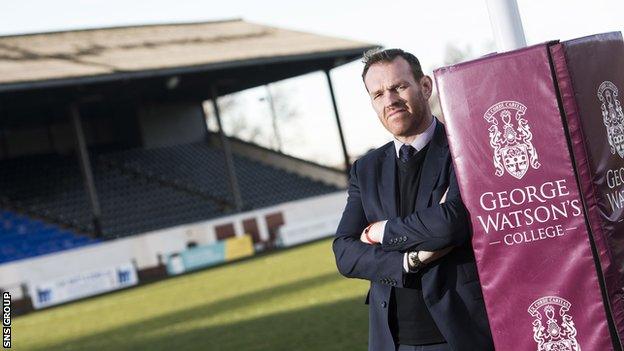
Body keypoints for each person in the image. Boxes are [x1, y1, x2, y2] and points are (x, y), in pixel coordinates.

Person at [332, 48, 493, 351]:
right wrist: (408, 260)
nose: (389, 100)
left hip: (457, 334)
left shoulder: (462, 148)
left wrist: (380, 231)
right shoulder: (366, 169)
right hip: (393, 341)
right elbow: (344, 251)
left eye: (398, 86)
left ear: (425, 86)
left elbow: (451, 224)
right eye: (377, 94)